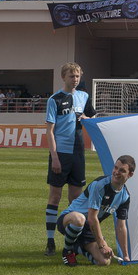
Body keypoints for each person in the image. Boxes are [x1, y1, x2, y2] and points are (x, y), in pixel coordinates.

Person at [44, 62, 97, 256]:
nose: (75, 79)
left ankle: (72, 241)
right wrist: (55, 157)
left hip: (78, 153)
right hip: (61, 154)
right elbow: (49, 131)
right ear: (63, 77)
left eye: (77, 76)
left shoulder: (83, 96)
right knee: (55, 197)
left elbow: (92, 117)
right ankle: (50, 241)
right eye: (71, 76)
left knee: (75, 199)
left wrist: (87, 118)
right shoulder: (55, 99)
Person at [57, 155, 135, 266]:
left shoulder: (125, 196)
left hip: (88, 228)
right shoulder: (100, 185)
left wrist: (125, 255)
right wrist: (102, 244)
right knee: (79, 219)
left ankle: (77, 247)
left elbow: (121, 227)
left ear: (130, 174)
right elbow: (92, 218)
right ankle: (68, 250)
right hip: (69, 220)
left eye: (122, 170)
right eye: (115, 167)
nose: (116, 172)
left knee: (104, 261)